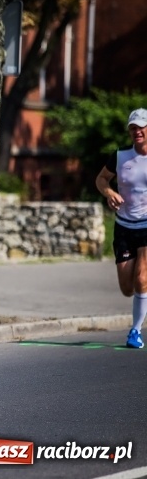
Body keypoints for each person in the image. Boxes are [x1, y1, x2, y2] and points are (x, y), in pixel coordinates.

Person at [95, 107, 147, 349]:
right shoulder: (119, 157)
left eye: (141, 127)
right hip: (124, 226)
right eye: (133, 128)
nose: (137, 132)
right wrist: (109, 192)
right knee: (127, 288)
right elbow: (101, 179)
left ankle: (135, 331)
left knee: (141, 279)